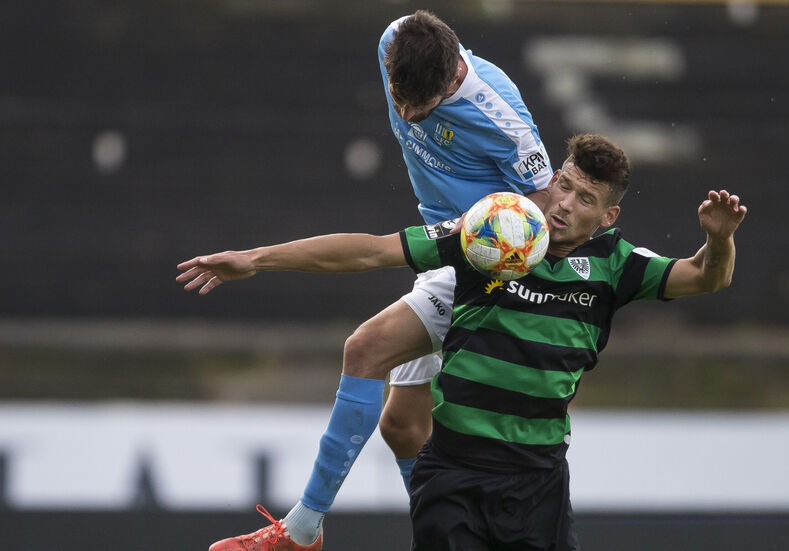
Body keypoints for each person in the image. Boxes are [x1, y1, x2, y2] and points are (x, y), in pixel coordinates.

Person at [177, 134, 748, 550]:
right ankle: (305, 527)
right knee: (379, 378)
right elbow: (372, 250)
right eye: (563, 186)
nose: (564, 204)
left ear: (608, 215)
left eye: (584, 199)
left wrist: (718, 240)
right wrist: (255, 259)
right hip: (452, 471)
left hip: (538, 479)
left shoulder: (617, 265)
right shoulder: (490, 233)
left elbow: (706, 276)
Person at [195, 10, 554, 551]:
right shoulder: (396, 39)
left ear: (455, 76)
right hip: (441, 255)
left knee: (364, 351)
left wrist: (477, 238)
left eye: (421, 106)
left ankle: (300, 531)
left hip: (480, 267)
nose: (406, 115)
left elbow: (544, 208)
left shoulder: (501, 115)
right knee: (403, 427)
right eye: (397, 97)